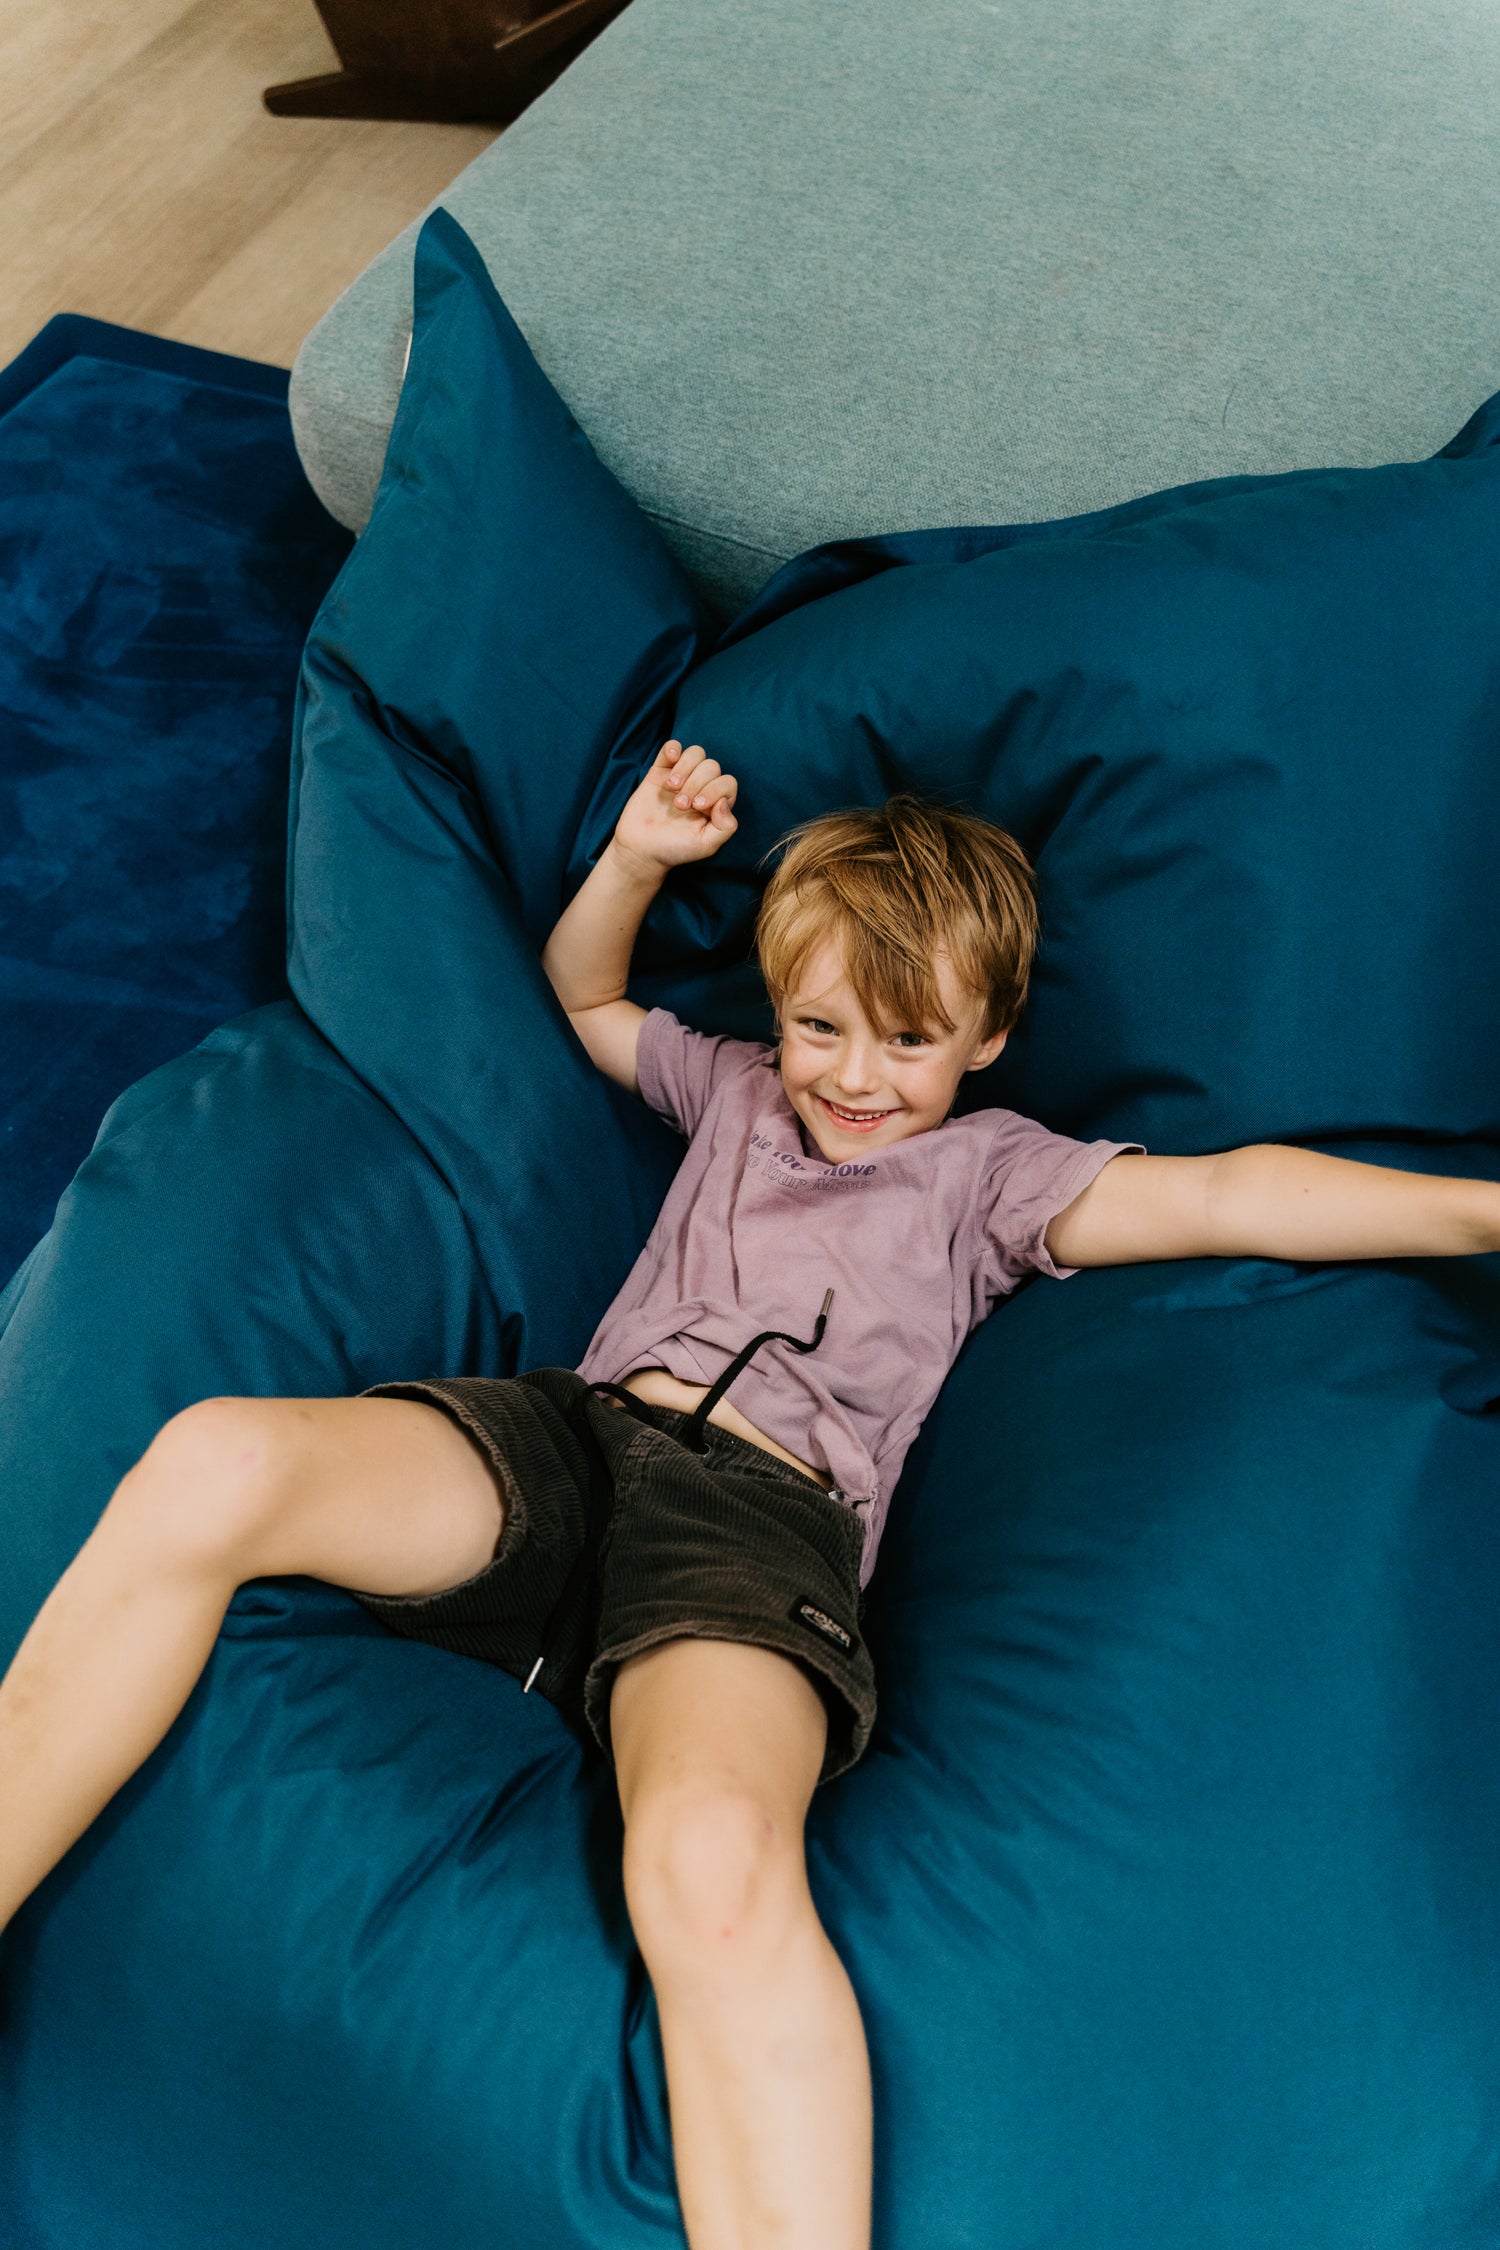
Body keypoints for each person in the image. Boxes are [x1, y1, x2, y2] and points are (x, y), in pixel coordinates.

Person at [2, 739, 1497, 2250]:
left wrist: (1477, 1212)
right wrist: (642, 857)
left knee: (707, 1855)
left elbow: (1229, 1192)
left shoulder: (993, 1177)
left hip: (755, 1527)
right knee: (218, 1455)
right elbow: (584, 998)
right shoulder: (729, 1090)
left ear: (984, 1039)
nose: (853, 1075)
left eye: (907, 1040)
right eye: (820, 1025)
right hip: (570, 1444)